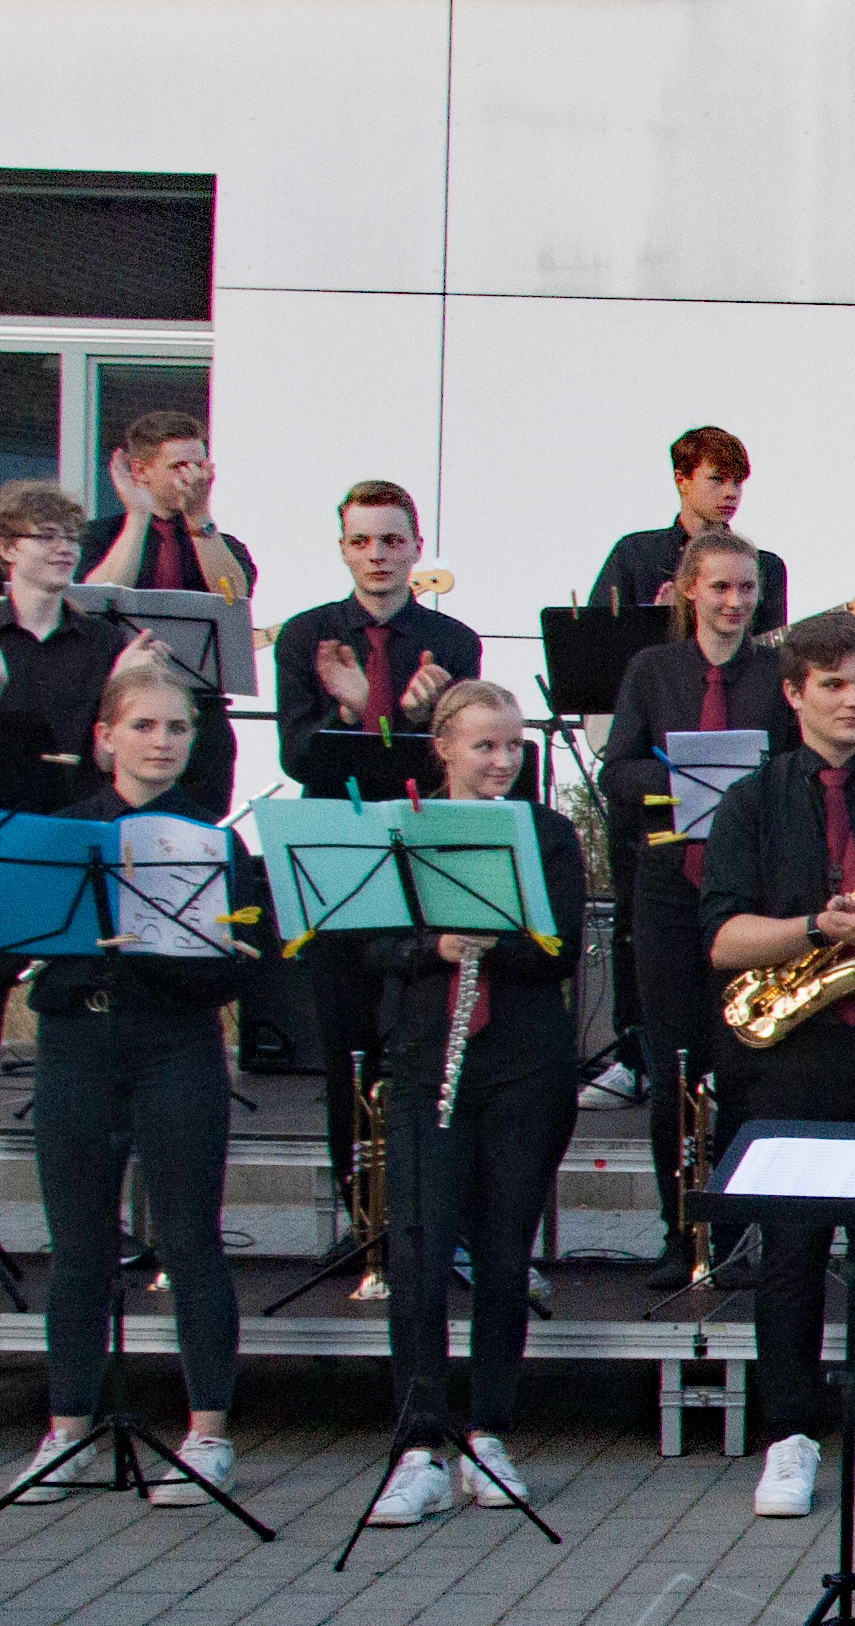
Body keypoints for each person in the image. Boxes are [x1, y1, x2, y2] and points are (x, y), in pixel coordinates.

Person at [0, 481, 190, 1276]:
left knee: (95, 1032)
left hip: (77, 845)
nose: (63, 546)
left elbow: (110, 757)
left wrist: (126, 683)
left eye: (70, 534)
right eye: (45, 534)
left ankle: (97, 1221)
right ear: (6, 548)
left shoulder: (104, 641)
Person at [703, 612, 855, 1519]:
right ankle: (790, 1434)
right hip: (793, 1051)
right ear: (794, 693)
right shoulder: (751, 799)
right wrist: (817, 927)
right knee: (792, 1250)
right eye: (834, 685)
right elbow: (723, 937)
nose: (854, 701)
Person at [0, 661, 255, 1508]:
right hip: (78, 1040)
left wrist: (165, 948)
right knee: (78, 1245)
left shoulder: (212, 841)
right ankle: (66, 1429)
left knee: (190, 1239)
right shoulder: (61, 832)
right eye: (143, 726)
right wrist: (82, 947)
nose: (161, 742)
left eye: (177, 728)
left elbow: (235, 973)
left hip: (175, 1043)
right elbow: (13, 948)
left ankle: (208, 1433)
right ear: (105, 736)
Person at [362, 682, 587, 1525]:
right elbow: (370, 942)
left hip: (525, 1063)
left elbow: (557, 950)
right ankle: (417, 1444)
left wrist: (490, 937)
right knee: (418, 1254)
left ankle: (489, 1433)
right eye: (484, 745)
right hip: (428, 1058)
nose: (502, 760)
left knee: (502, 1256)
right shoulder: (403, 830)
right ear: (444, 747)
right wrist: (437, 944)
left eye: (513, 746)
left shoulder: (547, 834)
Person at [273, 481, 482, 1251]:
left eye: (392, 540)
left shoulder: (451, 641)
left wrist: (419, 720)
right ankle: (362, 1217)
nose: (377, 555)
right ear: (342, 548)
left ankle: (430, 1216)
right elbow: (300, 758)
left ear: (416, 546)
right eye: (361, 541)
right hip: (341, 849)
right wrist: (351, 710)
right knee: (347, 1038)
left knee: (425, 1036)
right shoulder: (307, 636)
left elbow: (452, 764)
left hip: (425, 846)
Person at [602, 532, 803, 1287]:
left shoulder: (778, 674)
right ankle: (679, 1231)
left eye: (746, 588)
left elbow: (799, 767)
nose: (734, 601)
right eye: (720, 587)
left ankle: (739, 1228)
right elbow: (617, 770)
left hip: (750, 885)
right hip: (669, 880)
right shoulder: (652, 669)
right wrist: (681, 783)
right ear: (690, 589)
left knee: (747, 1057)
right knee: (675, 1064)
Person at [586, 424, 794, 633]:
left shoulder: (765, 567)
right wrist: (656, 621)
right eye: (717, 479)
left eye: (737, 482)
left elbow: (772, 650)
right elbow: (596, 637)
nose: (731, 492)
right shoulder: (636, 554)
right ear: (682, 480)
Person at [77, 410, 257, 600]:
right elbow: (96, 599)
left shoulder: (221, 544)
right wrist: (138, 515)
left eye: (198, 466)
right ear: (140, 470)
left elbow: (233, 597)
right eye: (179, 466)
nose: (192, 476)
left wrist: (198, 514)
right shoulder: (95, 537)